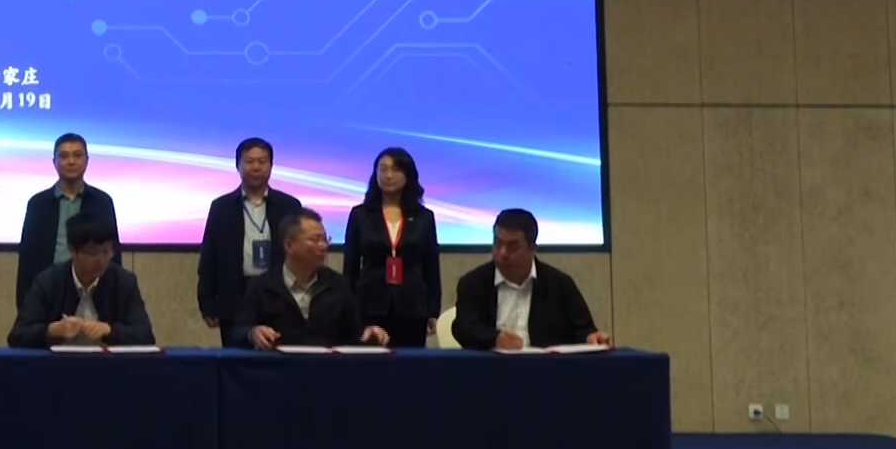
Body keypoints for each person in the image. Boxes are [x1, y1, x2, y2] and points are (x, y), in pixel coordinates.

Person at [451, 208, 611, 350]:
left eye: (512, 246)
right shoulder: (473, 283)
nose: (502, 253)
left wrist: (591, 338)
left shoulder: (559, 284)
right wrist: (495, 339)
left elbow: (582, 329)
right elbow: (463, 328)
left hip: (545, 369)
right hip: (492, 368)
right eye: (498, 244)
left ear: (533, 249)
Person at [196, 137, 304, 346]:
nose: (256, 167)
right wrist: (207, 303)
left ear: (271, 166)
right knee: (237, 357)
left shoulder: (289, 205)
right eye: (249, 161)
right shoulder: (221, 207)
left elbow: (300, 253)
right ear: (238, 165)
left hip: (280, 293)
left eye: (262, 161)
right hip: (235, 295)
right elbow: (209, 257)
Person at [230, 209, 389, 350]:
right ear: (289, 245)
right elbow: (237, 333)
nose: (323, 246)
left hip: (326, 368)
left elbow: (356, 333)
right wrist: (252, 333)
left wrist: (370, 332)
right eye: (315, 240)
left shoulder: (338, 284)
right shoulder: (262, 286)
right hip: (278, 369)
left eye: (325, 239)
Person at [342, 146, 442, 349]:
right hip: (369, 304)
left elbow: (431, 266)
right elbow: (350, 267)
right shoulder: (360, 214)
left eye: (395, 170)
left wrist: (433, 310)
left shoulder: (424, 217)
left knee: (410, 363)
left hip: (412, 306)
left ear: (408, 175)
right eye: (383, 169)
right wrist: (348, 308)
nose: (388, 175)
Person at [8, 213, 154, 348]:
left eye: (106, 251)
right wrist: (51, 330)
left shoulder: (123, 282)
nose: (101, 260)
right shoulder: (49, 281)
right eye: (93, 252)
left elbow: (145, 335)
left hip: (108, 363)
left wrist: (109, 330)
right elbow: (17, 336)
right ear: (73, 251)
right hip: (59, 364)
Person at [14, 132, 121, 309]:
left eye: (77, 155)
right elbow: (27, 258)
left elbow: (113, 252)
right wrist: (25, 305)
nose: (71, 161)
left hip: (93, 288)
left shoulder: (102, 201)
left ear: (87, 160)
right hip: (48, 289)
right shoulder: (38, 204)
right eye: (64, 156)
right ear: (54, 162)